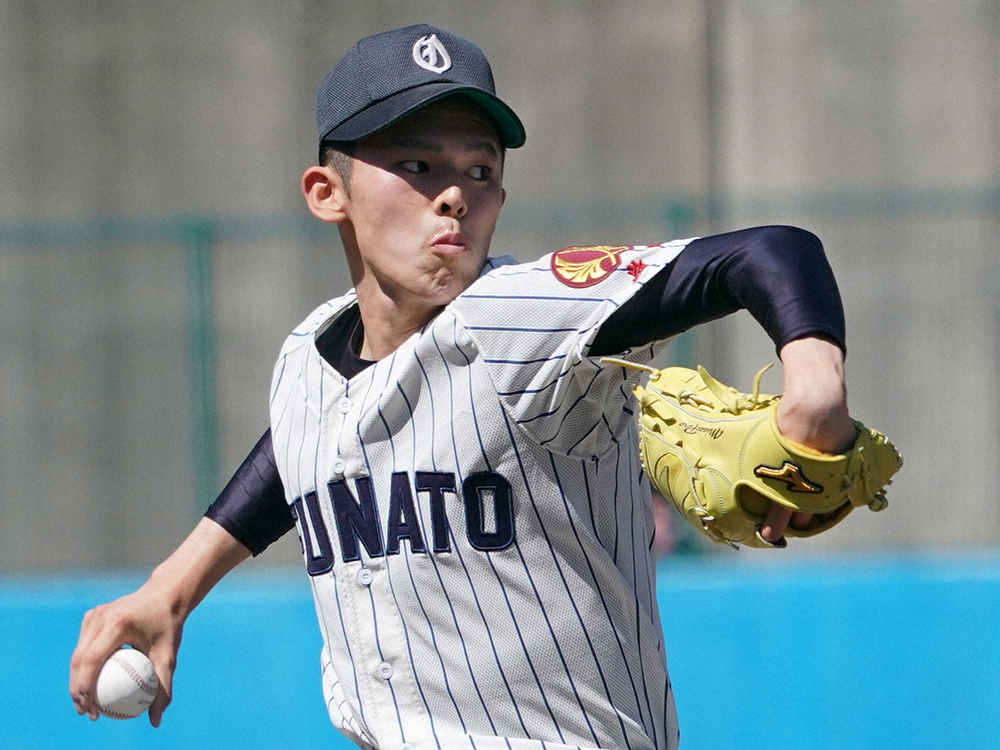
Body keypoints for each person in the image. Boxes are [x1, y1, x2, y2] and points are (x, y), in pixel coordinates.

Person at [70, 24, 855, 750]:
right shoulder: (308, 356)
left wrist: (813, 388)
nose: (453, 193)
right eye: (416, 165)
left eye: (479, 170)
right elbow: (306, 446)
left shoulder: (526, 313)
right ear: (326, 192)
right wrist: (172, 588)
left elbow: (768, 253)